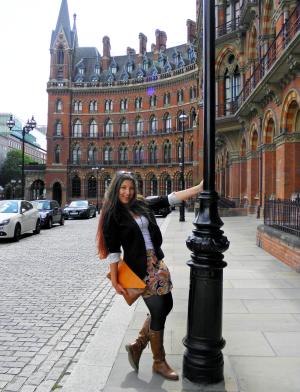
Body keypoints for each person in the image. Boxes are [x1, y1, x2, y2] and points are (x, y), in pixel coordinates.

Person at [97, 171, 203, 381]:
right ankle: (158, 362)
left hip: (157, 262)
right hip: (139, 269)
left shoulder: (141, 204)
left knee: (167, 305)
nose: (127, 193)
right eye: (123, 188)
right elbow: (114, 251)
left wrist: (199, 188)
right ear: (116, 189)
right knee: (159, 310)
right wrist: (116, 282)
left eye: (131, 188)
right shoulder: (112, 215)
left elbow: (169, 198)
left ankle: (138, 345)